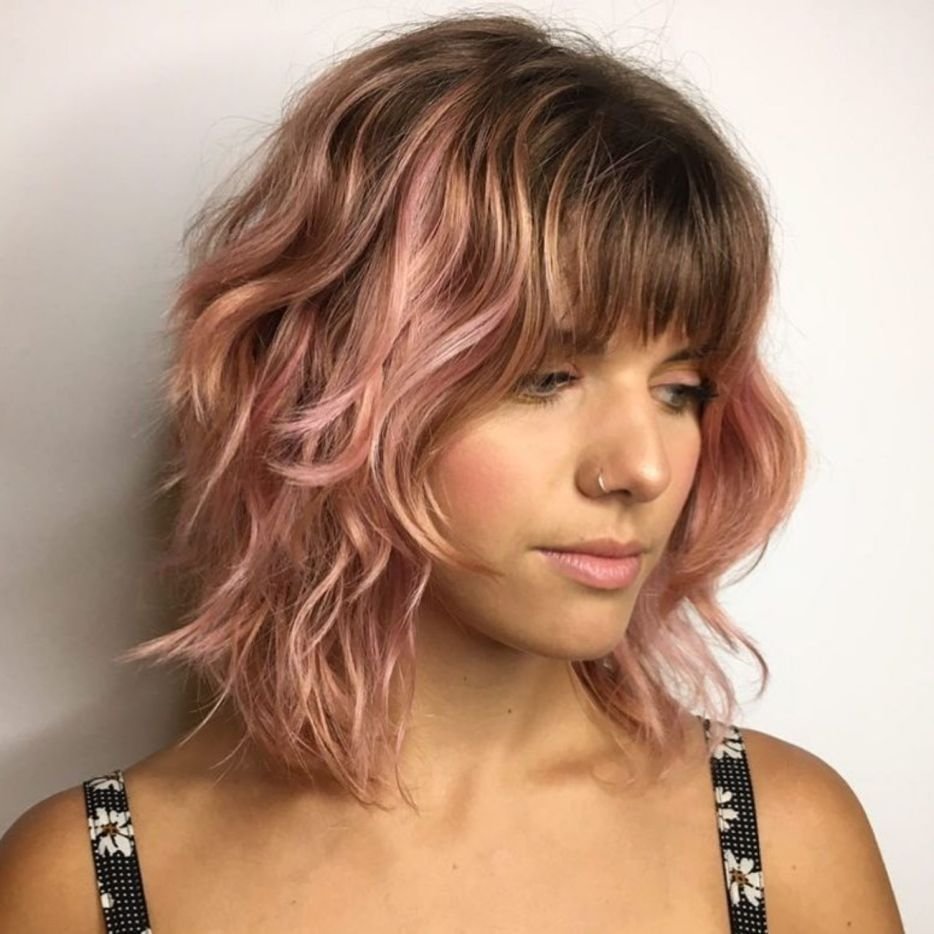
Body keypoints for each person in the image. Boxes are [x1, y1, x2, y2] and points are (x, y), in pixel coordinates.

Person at [0, 11, 904, 933]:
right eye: (547, 378)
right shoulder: (88, 884)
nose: (642, 467)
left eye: (681, 389)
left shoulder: (778, 842)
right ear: (341, 387)